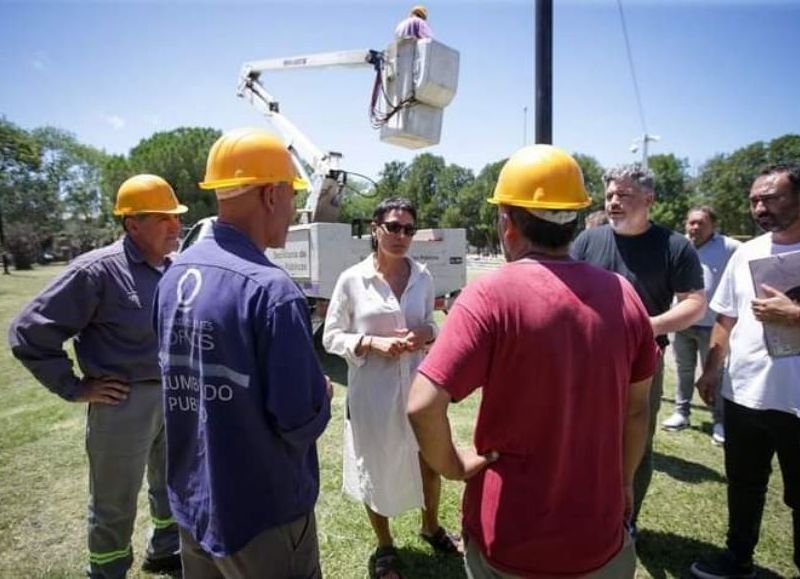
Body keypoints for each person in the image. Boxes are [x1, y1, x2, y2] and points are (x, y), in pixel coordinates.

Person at [407, 145, 658, 578]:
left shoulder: (489, 294)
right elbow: (637, 409)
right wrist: (622, 483)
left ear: (507, 223)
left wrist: (453, 466)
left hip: (510, 537)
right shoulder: (623, 295)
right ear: (576, 221)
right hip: (600, 535)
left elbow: (422, 404)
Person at [153, 127, 331, 579]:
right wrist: (323, 394)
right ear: (272, 194)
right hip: (262, 517)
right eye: (292, 196)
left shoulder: (174, 276)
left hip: (194, 506)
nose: (293, 211)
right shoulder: (272, 292)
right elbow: (298, 420)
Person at [8, 174, 185, 578]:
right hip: (122, 403)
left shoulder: (174, 269)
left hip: (173, 398)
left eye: (174, 217)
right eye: (162, 218)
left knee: (171, 484)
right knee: (114, 499)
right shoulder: (98, 271)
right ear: (132, 224)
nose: (175, 226)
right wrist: (73, 387)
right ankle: (107, 571)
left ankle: (165, 549)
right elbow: (29, 332)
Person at [323, 197, 457, 579]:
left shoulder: (423, 277)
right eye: (393, 227)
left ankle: (430, 527)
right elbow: (331, 336)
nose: (401, 235)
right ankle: (385, 545)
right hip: (374, 394)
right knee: (376, 468)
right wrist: (369, 343)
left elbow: (432, 328)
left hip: (418, 390)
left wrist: (424, 333)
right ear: (374, 228)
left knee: (429, 465)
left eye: (408, 229)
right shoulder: (352, 279)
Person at [571, 163, 706, 530]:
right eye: (610, 195)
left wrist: (645, 326)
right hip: (588, 359)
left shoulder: (674, 246)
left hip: (643, 359)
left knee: (635, 443)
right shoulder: (587, 241)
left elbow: (695, 302)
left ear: (649, 199)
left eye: (624, 195)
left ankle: (626, 518)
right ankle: (583, 511)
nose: (614, 202)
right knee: (582, 435)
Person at [690, 164, 800, 579]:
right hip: (745, 393)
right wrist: (712, 370)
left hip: (797, 402)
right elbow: (726, 318)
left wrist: (796, 314)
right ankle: (737, 558)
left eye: (771, 198)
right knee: (744, 483)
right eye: (754, 199)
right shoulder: (747, 253)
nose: (760, 207)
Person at [662, 206, 740, 444]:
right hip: (683, 322)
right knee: (684, 369)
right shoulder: (679, 245)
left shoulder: (730, 247)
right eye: (691, 223)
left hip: (713, 325)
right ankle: (681, 412)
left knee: (715, 374)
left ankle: (720, 421)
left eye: (700, 223)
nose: (694, 227)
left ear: (713, 226)